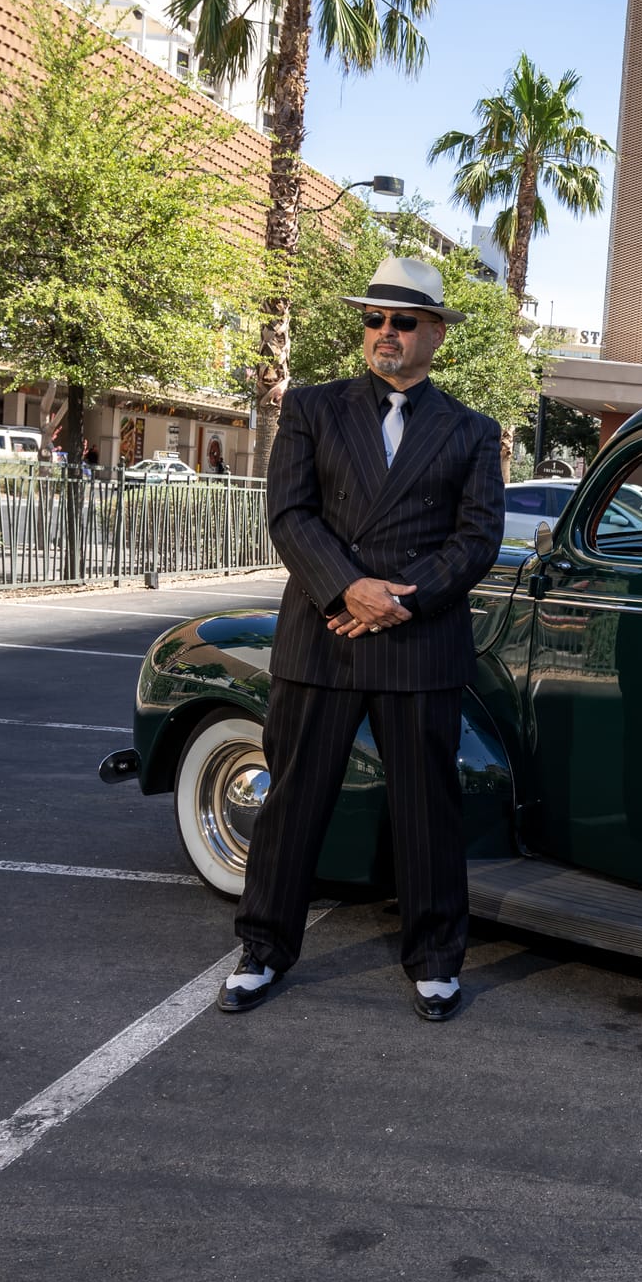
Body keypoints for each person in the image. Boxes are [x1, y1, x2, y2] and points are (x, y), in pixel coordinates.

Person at [221, 257, 504, 1022]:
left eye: (403, 321)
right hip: (323, 635)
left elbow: (477, 538)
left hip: (419, 643)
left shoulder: (474, 431)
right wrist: (347, 588)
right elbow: (290, 514)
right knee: (292, 804)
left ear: (436, 334)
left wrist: (395, 601)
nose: (385, 332)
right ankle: (262, 949)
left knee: (427, 810)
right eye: (374, 318)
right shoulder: (311, 408)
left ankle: (437, 958)